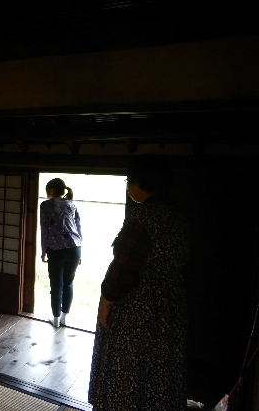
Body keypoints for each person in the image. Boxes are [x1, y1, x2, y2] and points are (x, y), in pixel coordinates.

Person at [88, 154, 190, 411]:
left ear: (138, 183)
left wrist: (105, 303)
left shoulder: (142, 219)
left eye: (127, 180)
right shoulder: (176, 215)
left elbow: (123, 269)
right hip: (171, 304)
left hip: (139, 308)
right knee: (160, 368)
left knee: (130, 366)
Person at [40, 178, 83, 328]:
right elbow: (78, 228)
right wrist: (80, 253)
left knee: (56, 285)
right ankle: (65, 318)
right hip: (75, 248)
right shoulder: (72, 204)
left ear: (51, 191)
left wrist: (44, 250)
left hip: (56, 249)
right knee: (68, 283)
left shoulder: (45, 205)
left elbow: (44, 228)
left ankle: (56, 320)